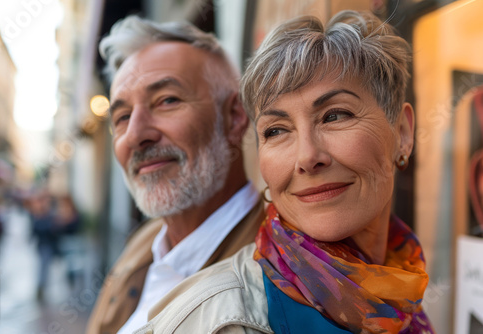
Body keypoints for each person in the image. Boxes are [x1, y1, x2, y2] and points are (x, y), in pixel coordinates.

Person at [138, 11, 435, 334]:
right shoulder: (213, 321)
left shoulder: (402, 295)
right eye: (276, 131)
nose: (307, 157)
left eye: (334, 115)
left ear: (402, 133)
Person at [86, 15, 265, 334]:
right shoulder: (145, 243)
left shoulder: (278, 271)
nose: (136, 135)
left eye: (167, 100)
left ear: (234, 117)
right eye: (123, 117)